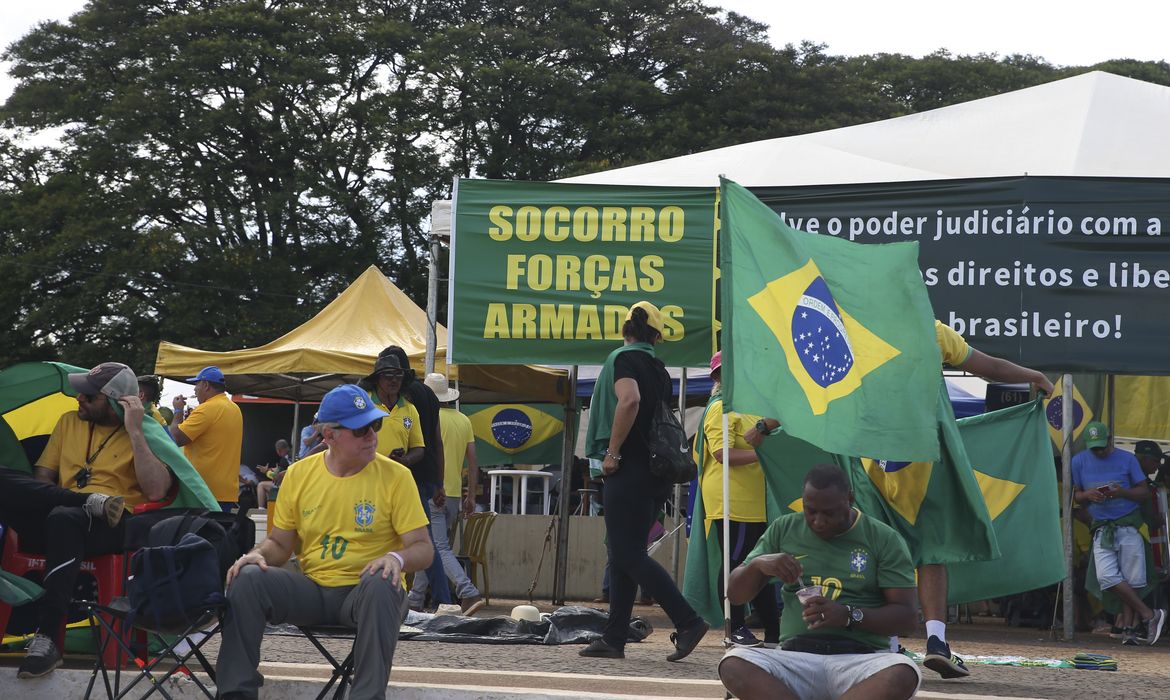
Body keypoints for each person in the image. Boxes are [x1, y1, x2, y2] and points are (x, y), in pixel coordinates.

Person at [215, 384, 432, 700]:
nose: (372, 435)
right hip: (314, 590)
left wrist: (396, 559)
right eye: (360, 430)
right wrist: (256, 554)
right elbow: (279, 544)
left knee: (382, 580)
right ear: (328, 435)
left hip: (366, 593)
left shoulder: (396, 476)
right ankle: (235, 694)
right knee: (247, 578)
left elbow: (423, 549)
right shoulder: (299, 475)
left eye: (376, 424)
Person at [0, 362, 173, 678]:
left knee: (66, 518)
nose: (79, 399)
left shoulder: (143, 432)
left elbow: (158, 490)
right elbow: (42, 479)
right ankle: (85, 501)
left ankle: (49, 637)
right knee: (20, 490)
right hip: (60, 516)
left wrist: (135, 429)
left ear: (115, 402)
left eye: (89, 396)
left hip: (112, 526)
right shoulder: (69, 422)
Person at [908, 320, 1056, 678]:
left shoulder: (856, 323)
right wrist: (1033, 374)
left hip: (874, 457)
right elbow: (987, 366)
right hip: (924, 454)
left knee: (881, 547)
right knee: (932, 550)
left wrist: (770, 423)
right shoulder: (930, 329)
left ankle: (885, 643)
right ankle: (936, 641)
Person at [718, 464, 920, 700]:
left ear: (850, 499)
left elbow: (907, 619)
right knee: (733, 664)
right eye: (810, 511)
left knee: (903, 673)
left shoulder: (883, 538)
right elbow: (735, 595)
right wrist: (757, 565)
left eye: (829, 513)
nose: (818, 521)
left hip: (861, 660)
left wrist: (847, 615)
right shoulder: (784, 528)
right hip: (794, 658)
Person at [580, 300, 709, 661]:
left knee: (626, 552)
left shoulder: (624, 360)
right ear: (656, 337)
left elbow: (629, 400)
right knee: (622, 553)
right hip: (655, 474)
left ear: (625, 330)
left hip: (630, 470)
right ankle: (614, 637)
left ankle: (687, 620)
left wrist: (614, 452)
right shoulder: (658, 368)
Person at [695, 350, 781, 648]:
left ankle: (773, 630)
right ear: (718, 377)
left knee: (759, 563)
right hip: (731, 497)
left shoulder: (748, 408)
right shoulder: (720, 407)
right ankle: (736, 627)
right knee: (737, 561)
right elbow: (722, 454)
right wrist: (764, 455)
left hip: (753, 499)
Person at [361, 347, 450, 606]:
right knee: (420, 540)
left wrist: (405, 461)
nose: (393, 381)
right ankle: (436, 599)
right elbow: (437, 442)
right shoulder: (429, 397)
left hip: (405, 478)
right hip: (418, 477)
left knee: (417, 541)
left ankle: (434, 598)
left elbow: (422, 444)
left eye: (397, 375)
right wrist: (439, 481)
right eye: (388, 375)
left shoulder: (408, 402)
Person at [1071, 421, 1165, 645]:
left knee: (1132, 578)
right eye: (1094, 448)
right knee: (1107, 577)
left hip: (1128, 524)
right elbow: (1076, 495)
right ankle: (1149, 614)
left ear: (1110, 439)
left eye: (1102, 446)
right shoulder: (1078, 461)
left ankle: (1130, 630)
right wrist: (1089, 495)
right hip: (1102, 526)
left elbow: (1144, 491)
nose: (1099, 451)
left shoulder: (1127, 459)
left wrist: (1121, 492)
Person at [406, 373, 485, 615]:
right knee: (430, 545)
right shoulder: (464, 420)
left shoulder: (427, 417)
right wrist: (470, 495)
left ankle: (467, 592)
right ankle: (415, 599)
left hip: (433, 489)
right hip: (453, 495)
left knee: (437, 547)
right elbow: (473, 462)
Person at [170, 365, 243, 511]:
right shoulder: (234, 408)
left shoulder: (206, 409)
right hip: (226, 491)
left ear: (206, 385)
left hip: (203, 490)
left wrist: (178, 411)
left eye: (196, 384)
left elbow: (176, 438)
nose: (194, 389)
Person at [256, 439, 292, 509]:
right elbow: (279, 469)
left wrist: (266, 472)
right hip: (293, 484)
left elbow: (276, 477)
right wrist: (270, 469)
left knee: (261, 485)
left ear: (278, 450)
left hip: (286, 486)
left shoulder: (284, 460)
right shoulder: (294, 454)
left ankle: (261, 510)